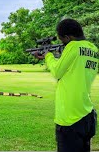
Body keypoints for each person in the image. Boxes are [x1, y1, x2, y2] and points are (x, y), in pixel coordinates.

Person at [34, 18, 98, 152]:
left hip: (69, 116)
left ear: (68, 37)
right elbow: (72, 68)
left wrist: (48, 56)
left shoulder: (73, 46)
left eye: (62, 39)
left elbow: (57, 71)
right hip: (86, 114)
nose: (62, 43)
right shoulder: (93, 49)